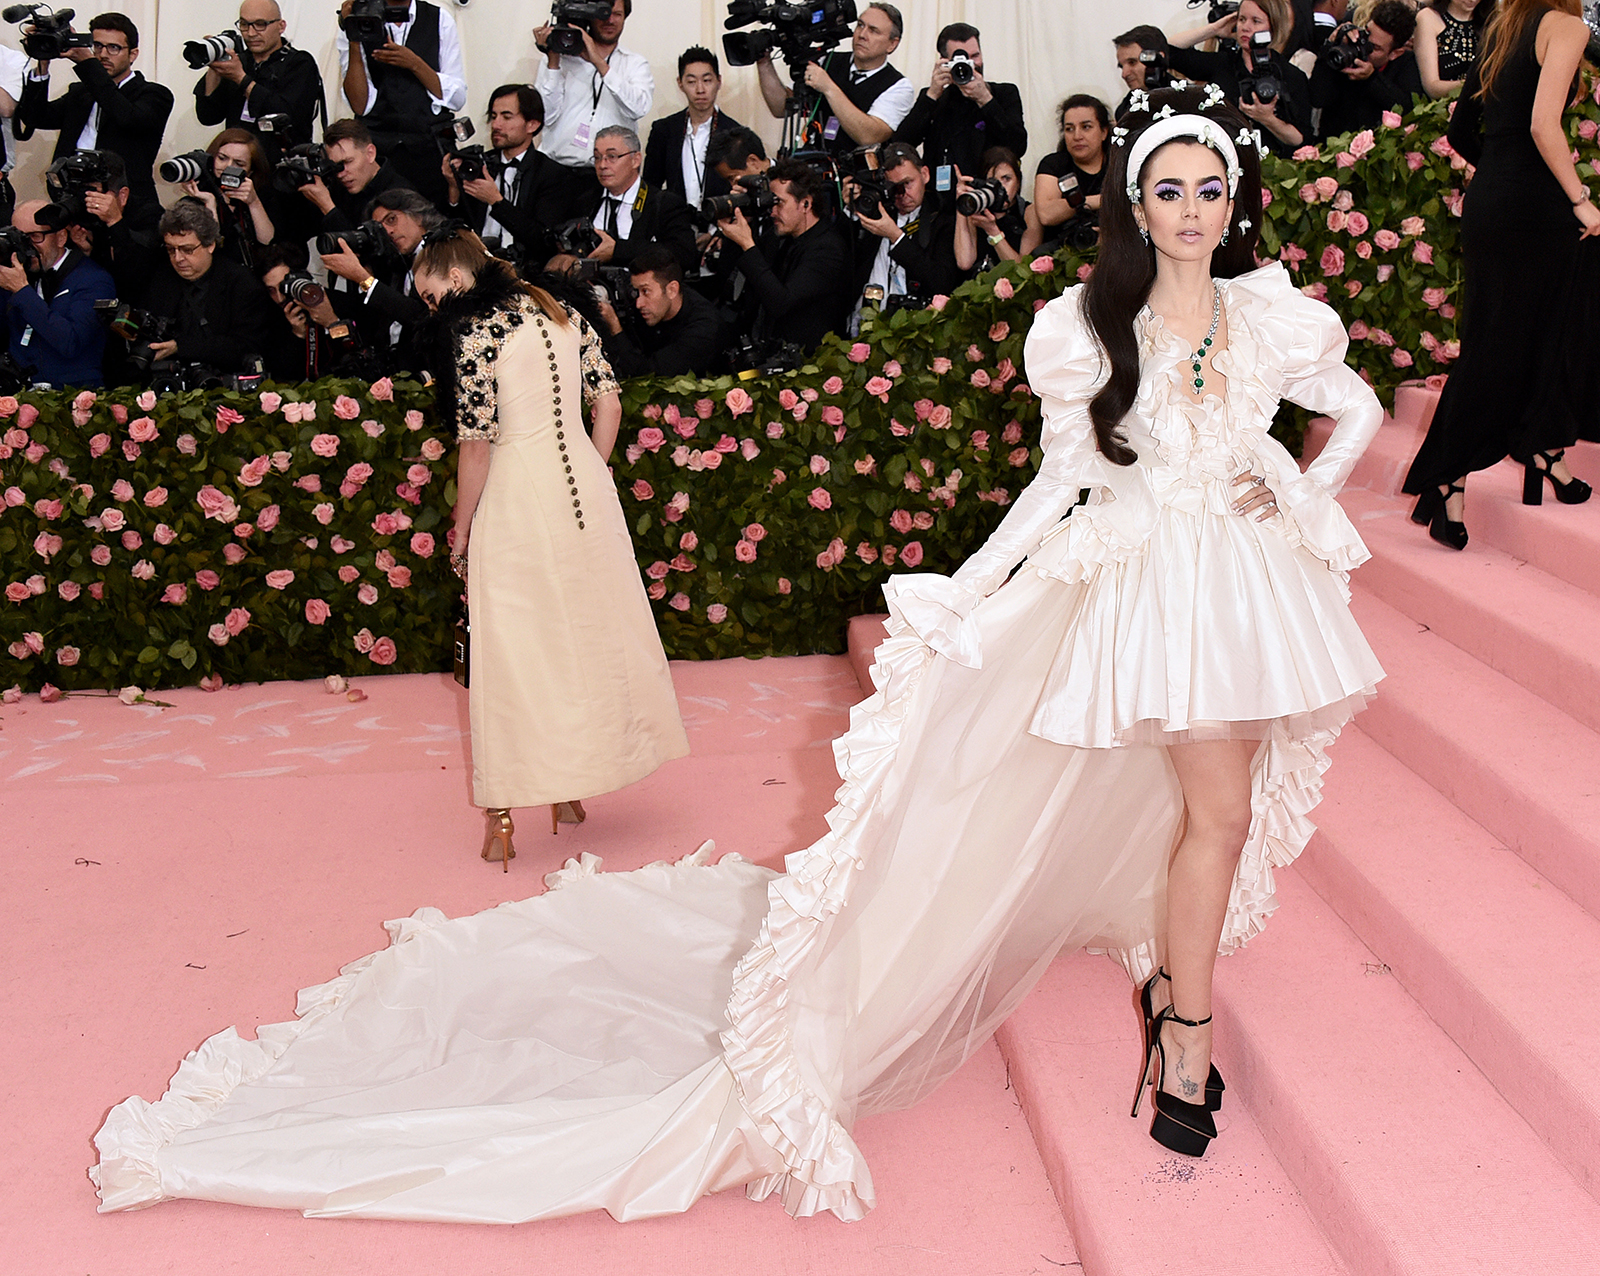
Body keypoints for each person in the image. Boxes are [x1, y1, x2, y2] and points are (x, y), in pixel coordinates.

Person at [89, 84, 1388, 1226]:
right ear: (1135, 205)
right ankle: (1176, 1012)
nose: (1192, 210)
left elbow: (1357, 407)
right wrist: (965, 592)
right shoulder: (1091, 326)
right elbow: (1058, 486)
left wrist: (1299, 486)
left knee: (1215, 811)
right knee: (1152, 804)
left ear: (1233, 199)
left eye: (1210, 189)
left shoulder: (1271, 315)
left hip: (1235, 588)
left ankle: (1179, 1012)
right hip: (1135, 588)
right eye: (1169, 190)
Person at [414, 227, 688, 859]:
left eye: (431, 296)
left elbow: (476, 445)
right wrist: (594, 470)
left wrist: (460, 528)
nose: (432, 310)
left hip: (515, 500)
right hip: (587, 495)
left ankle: (504, 816)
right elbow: (610, 403)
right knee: (583, 642)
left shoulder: (475, 329)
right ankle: (570, 788)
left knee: (512, 656)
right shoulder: (560, 311)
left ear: (455, 279)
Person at [1404, 0, 1598, 545]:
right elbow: (1543, 125)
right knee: (1542, 333)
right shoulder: (1566, 27)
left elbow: (1461, 129)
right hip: (1536, 207)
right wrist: (1580, 199)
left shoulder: (1503, 27)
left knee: (1507, 336)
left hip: (1492, 200)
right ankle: (1455, 470)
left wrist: (1501, 171)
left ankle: (1542, 451)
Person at [15, 12, 174, 204]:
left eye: (113, 48)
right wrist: (43, 61)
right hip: (71, 197)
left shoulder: (155, 94)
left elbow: (126, 117)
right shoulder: (80, 92)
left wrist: (87, 63)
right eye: (97, 46)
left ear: (133, 54)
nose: (103, 54)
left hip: (125, 204)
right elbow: (35, 118)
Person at [336, 0, 467, 208]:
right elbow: (359, 105)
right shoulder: (359, 18)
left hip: (428, 150)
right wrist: (354, 35)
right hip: (380, 154)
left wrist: (414, 63)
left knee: (433, 220)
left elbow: (457, 97)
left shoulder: (439, 19)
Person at [716, 156, 852, 352]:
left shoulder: (828, 249)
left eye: (779, 202)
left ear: (806, 204)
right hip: (767, 349)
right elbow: (732, 273)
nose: (772, 211)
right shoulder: (778, 237)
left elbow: (782, 303)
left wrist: (747, 244)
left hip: (809, 358)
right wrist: (737, 228)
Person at [534, 0, 653, 212]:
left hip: (606, 177)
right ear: (588, 15)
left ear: (625, 18)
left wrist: (599, 63)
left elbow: (638, 108)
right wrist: (553, 61)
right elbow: (544, 117)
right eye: (603, 14)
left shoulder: (634, 64)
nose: (610, 20)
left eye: (617, 14)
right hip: (554, 172)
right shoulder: (560, 58)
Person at [757, 2, 915, 159]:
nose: (862, 34)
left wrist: (829, 88)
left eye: (873, 31)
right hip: (812, 162)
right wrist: (764, 63)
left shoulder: (898, 86)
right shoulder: (827, 61)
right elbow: (781, 108)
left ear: (892, 44)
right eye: (860, 25)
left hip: (856, 172)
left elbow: (869, 136)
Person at [141, 202, 279, 376]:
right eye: (170, 250)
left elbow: (246, 346)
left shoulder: (241, 283)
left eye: (187, 250)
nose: (178, 258)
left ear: (210, 245)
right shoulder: (162, 279)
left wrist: (181, 347)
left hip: (225, 379)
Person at [443, 84, 570, 268]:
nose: (496, 125)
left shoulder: (551, 174)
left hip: (527, 270)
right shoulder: (480, 164)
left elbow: (542, 240)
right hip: (477, 266)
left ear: (532, 124)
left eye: (506, 117)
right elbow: (458, 225)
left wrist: (497, 202)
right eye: (494, 116)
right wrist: (453, 188)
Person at [1166, 0, 1315, 155]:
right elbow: (1168, 51)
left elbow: (1303, 139)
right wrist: (1215, 29)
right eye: (1242, 19)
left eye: (1256, 21)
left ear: (1273, 26)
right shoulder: (1222, 63)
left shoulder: (1291, 75)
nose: (1245, 27)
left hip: (1275, 164)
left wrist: (1267, 119)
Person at [320, 186, 438, 371]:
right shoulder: (398, 264)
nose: (388, 232)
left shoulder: (441, 252)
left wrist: (363, 278)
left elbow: (422, 316)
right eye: (381, 228)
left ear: (419, 216)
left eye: (392, 219)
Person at [0, 199, 114, 387]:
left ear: (61, 237)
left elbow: (71, 342)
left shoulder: (93, 279)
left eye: (34, 236)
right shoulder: (16, 276)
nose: (26, 247)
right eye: (18, 238)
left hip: (73, 395)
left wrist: (22, 292)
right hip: (18, 392)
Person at [892, 22, 1028, 181]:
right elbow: (901, 145)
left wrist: (985, 100)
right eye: (961, 59)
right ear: (945, 62)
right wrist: (931, 96)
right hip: (940, 191)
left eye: (975, 56)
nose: (971, 65)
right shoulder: (935, 98)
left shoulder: (1004, 94)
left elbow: (1018, 146)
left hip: (988, 189)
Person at [848, 141, 961, 326]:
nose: (902, 194)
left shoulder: (941, 220)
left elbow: (941, 282)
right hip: (863, 320)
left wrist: (896, 237)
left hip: (914, 325)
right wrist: (851, 208)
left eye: (907, 183)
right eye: (894, 187)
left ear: (925, 174)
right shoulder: (875, 211)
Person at [563, 125, 698, 274]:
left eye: (612, 157)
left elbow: (684, 254)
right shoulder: (585, 202)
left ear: (635, 160)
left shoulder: (664, 203)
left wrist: (618, 250)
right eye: (597, 157)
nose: (602, 165)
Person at [192, 0, 326, 150]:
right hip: (238, 158)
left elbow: (287, 115)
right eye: (244, 24)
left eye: (260, 24)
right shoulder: (239, 62)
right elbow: (207, 116)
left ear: (281, 26)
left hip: (283, 159)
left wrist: (241, 78)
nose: (251, 33)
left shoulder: (299, 63)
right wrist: (214, 65)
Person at [595, 243, 722, 377]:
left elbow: (647, 375)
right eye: (636, 292)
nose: (638, 303)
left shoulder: (703, 328)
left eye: (646, 291)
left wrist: (615, 327)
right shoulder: (652, 308)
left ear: (672, 290)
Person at [169, 129, 283, 273]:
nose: (228, 166)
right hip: (216, 276)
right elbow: (209, 250)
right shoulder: (193, 202)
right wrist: (210, 204)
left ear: (250, 171)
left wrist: (254, 203)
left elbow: (267, 242)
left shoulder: (260, 196)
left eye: (239, 163)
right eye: (222, 158)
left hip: (253, 274)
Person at [642, 47, 740, 210]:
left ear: (719, 81)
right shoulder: (664, 130)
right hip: (675, 222)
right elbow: (651, 186)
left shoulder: (734, 132)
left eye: (707, 80)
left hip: (720, 221)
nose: (700, 90)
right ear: (680, 83)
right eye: (691, 82)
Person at [1311, 1, 1425, 139]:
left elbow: (1407, 109)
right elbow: (1317, 98)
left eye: (1375, 48)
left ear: (1395, 53)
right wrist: (1330, 46)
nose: (1364, 47)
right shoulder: (1349, 46)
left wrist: (1372, 78)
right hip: (1334, 142)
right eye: (1365, 35)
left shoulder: (1406, 64)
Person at [300, 117, 414, 241]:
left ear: (370, 153)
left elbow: (371, 249)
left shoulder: (401, 194)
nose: (341, 173)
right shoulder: (339, 187)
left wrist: (327, 206)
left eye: (348, 162)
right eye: (336, 166)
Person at [1033, 94, 1111, 255]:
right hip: (1063, 251)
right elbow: (1046, 214)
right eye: (1069, 129)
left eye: (1086, 127)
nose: (1077, 136)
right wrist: (1100, 200)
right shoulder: (1053, 164)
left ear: (1104, 132)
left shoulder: (1119, 165)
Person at [954, 146, 1041, 272]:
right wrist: (963, 203)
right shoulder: (978, 209)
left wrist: (993, 232)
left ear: (1018, 182)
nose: (1000, 187)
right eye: (992, 181)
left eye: (1006, 179)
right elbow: (964, 262)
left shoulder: (1028, 211)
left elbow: (1023, 271)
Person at [1415, 0, 1492, 97]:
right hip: (1443, 103)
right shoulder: (1429, 18)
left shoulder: (1492, 21)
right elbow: (1432, 87)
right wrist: (1477, 85)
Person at [1113, 24, 1169, 118]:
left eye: (1132, 62)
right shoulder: (1124, 111)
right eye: (1121, 67)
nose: (1124, 74)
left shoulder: (1185, 96)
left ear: (1157, 59)